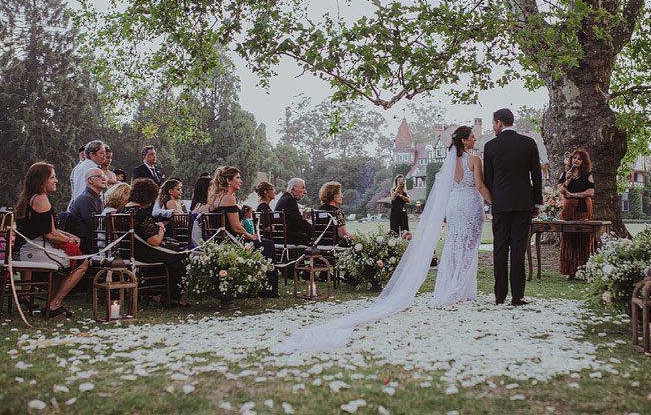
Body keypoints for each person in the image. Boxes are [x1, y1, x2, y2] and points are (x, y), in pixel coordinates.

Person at [273, 126, 492, 353]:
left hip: (454, 206)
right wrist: (493, 201)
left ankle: (451, 287)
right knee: (468, 247)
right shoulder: (474, 160)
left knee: (454, 245)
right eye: (473, 137)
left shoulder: (448, 163)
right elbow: (479, 186)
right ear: (465, 140)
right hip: (470, 204)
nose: (475, 139)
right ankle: (462, 289)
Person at [484, 108, 542, 306]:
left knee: (500, 249)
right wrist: (537, 202)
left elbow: (488, 179)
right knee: (518, 249)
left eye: (493, 123)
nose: (493, 127)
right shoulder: (528, 143)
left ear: (499, 122)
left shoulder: (490, 146)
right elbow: (536, 175)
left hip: (500, 204)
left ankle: (499, 296)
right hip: (523, 203)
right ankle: (517, 296)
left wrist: (495, 199)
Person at [14, 162, 88, 318]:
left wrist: (69, 236)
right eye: (52, 177)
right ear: (42, 180)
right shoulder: (40, 199)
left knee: (66, 265)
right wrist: (70, 241)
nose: (56, 181)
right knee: (82, 263)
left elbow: (48, 228)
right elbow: (50, 234)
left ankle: (49, 303)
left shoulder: (31, 197)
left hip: (29, 248)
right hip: (36, 249)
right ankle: (54, 304)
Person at [117, 178, 190, 306]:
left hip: (127, 251)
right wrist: (161, 228)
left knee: (173, 253)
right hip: (143, 251)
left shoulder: (121, 211)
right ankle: (173, 296)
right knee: (180, 256)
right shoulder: (142, 214)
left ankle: (156, 292)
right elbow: (155, 241)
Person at [210, 167, 278, 297]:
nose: (241, 181)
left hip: (222, 239)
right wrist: (251, 236)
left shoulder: (216, 197)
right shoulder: (228, 198)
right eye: (237, 178)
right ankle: (267, 289)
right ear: (228, 180)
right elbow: (236, 227)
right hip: (232, 241)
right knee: (268, 245)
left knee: (264, 243)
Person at [557, 149, 596, 280]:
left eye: (579, 159)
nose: (576, 160)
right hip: (568, 208)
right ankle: (570, 270)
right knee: (568, 237)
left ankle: (583, 269)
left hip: (583, 207)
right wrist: (567, 181)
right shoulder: (566, 173)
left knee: (583, 237)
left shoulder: (587, 174)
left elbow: (591, 192)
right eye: (574, 158)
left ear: (584, 162)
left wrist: (575, 195)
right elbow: (560, 190)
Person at [68, 167, 108, 254]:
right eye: (100, 176)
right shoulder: (86, 199)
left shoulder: (95, 198)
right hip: (86, 249)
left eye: (104, 176)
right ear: (90, 180)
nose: (104, 178)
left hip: (94, 244)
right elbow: (96, 225)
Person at [274, 178, 314, 246]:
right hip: (289, 238)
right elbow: (299, 222)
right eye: (303, 188)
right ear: (293, 189)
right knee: (315, 240)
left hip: (281, 236)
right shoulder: (289, 201)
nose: (305, 192)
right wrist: (315, 231)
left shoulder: (283, 198)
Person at [69, 140, 108, 207]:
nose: (105, 155)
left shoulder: (94, 168)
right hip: (84, 211)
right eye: (101, 153)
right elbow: (80, 193)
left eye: (105, 152)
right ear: (92, 155)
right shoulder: (84, 169)